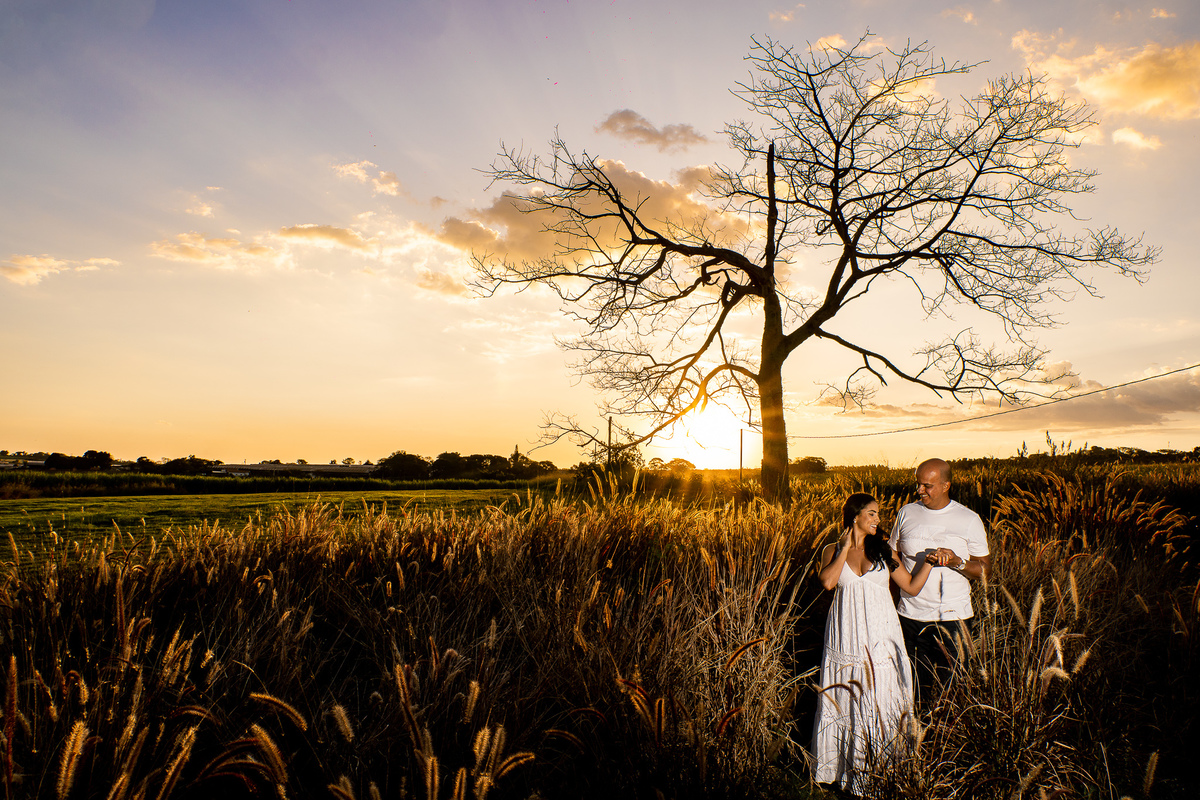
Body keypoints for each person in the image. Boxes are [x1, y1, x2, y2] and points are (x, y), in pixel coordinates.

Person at [811, 492, 937, 794]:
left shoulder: (884, 550)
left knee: (881, 693)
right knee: (846, 695)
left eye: (878, 514)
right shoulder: (831, 549)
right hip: (845, 634)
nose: (879, 520)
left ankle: (881, 769)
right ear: (855, 515)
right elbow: (828, 582)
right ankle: (843, 768)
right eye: (872, 514)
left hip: (881, 633)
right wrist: (844, 547)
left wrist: (929, 563)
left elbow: (910, 587)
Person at [891, 458, 991, 701]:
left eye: (927, 485)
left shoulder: (968, 519)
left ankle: (947, 736)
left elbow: (986, 571)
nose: (920, 491)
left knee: (954, 690)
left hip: (953, 619)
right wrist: (901, 584)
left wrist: (958, 562)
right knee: (913, 687)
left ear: (946, 485)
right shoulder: (906, 512)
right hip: (910, 616)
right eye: (918, 485)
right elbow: (891, 551)